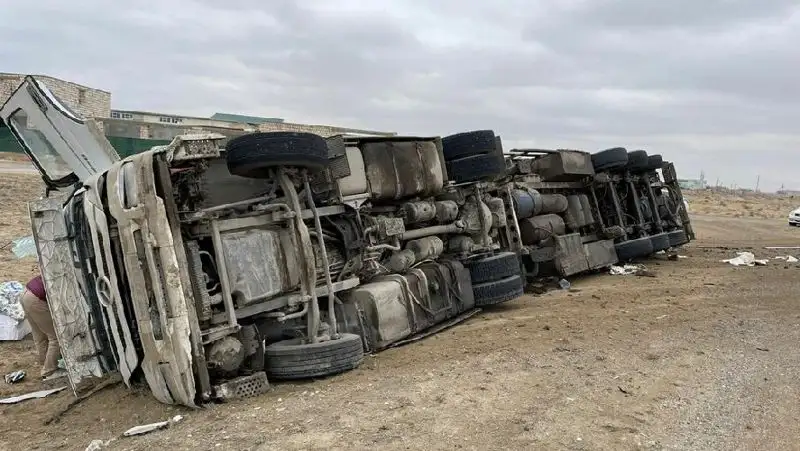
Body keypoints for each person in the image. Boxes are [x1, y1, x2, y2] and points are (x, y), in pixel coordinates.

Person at [19, 275, 65, 380]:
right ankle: (49, 371)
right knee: (56, 337)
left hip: (25, 293)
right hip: (35, 298)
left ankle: (45, 363)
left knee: (39, 334)